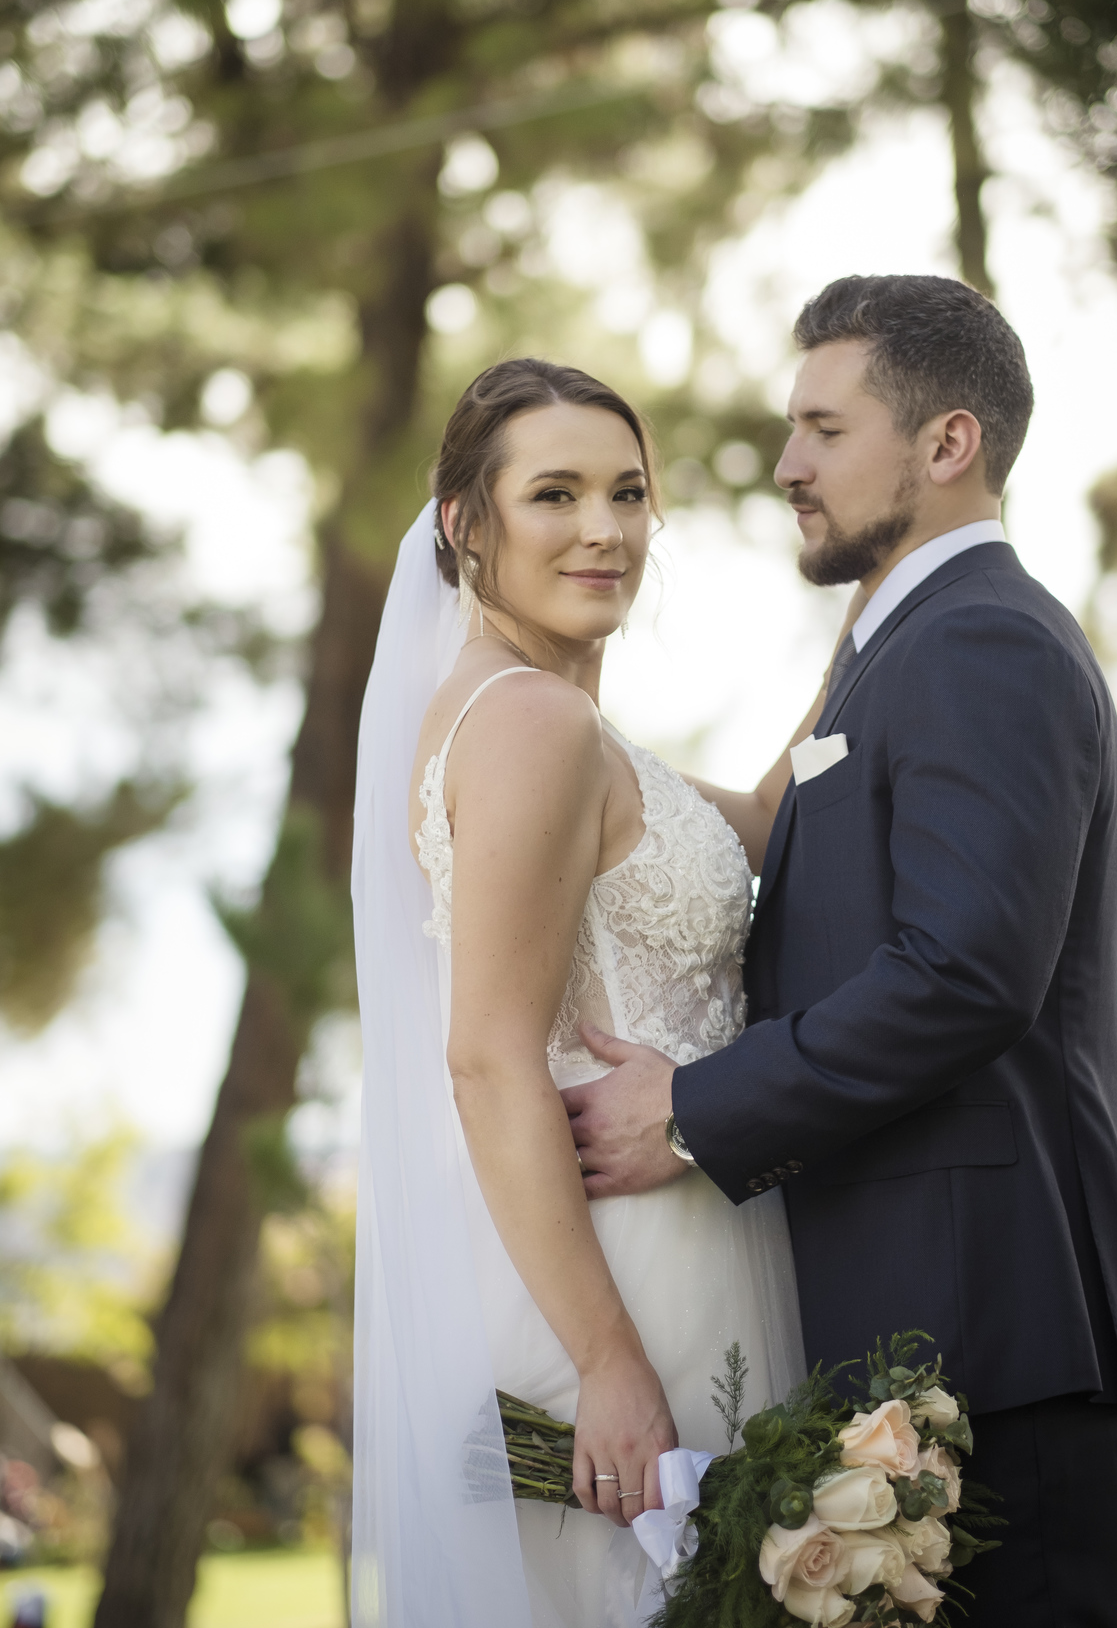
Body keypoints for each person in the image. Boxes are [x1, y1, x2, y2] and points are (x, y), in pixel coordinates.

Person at [566, 274, 1117, 1628]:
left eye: (825, 430)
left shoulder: (982, 644)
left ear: (946, 443)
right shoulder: (893, 649)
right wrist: (546, 731)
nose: (787, 465)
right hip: (921, 1327)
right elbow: (769, 850)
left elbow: (963, 971)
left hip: (1000, 1336)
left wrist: (692, 1106)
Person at [350, 358, 809, 1628]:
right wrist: (610, 1363)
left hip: (660, 1234)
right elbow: (488, 1058)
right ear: (465, 525)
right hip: (621, 1274)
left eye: (628, 492)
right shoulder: (530, 727)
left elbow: (771, 822)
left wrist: (876, 613)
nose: (605, 529)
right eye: (554, 494)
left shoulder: (560, 727)